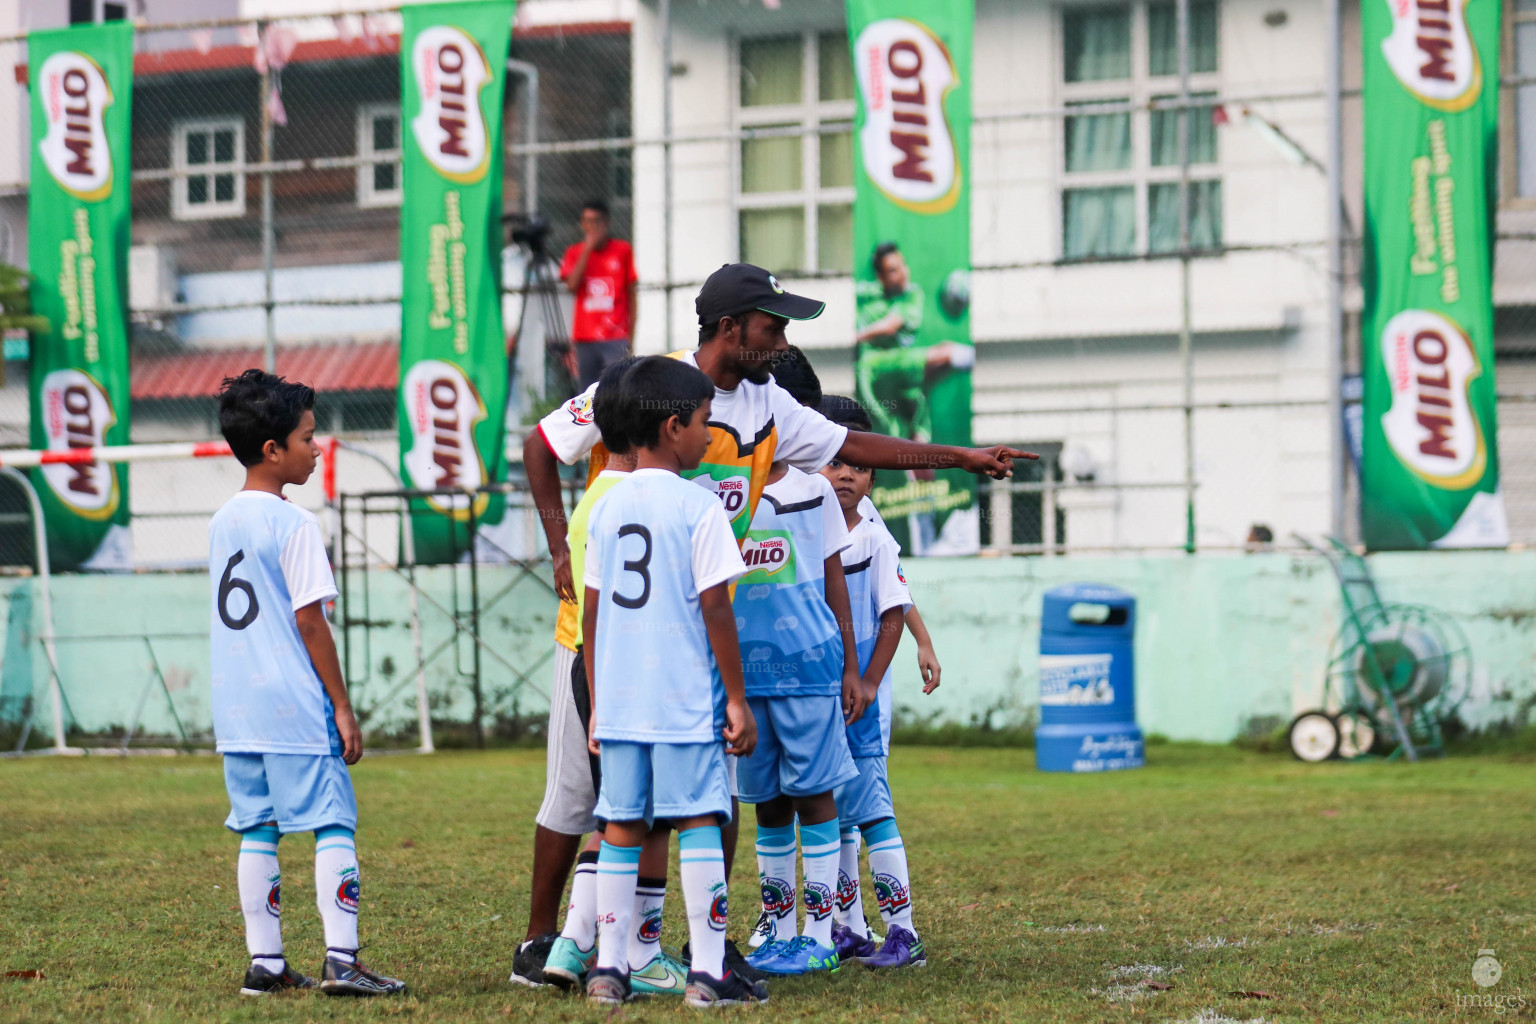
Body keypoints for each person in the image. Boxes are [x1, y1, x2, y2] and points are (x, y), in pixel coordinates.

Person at [520, 262, 1032, 982]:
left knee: (687, 804)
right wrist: (556, 548)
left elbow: (852, 445)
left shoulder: (766, 402)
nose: (784, 338)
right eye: (774, 324)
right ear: (731, 329)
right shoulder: (644, 382)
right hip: (608, 632)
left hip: (694, 639)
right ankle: (554, 946)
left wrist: (960, 458)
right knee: (592, 800)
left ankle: (665, 953)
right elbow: (541, 445)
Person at [208, 369, 405, 998]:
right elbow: (310, 621)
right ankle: (343, 961)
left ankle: (265, 963)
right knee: (333, 822)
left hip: (237, 709)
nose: (317, 448)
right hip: (294, 703)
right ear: (273, 451)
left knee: (257, 827)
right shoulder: (294, 526)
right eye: (308, 438)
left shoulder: (222, 521)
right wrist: (342, 708)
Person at [580, 356, 765, 1007]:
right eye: (703, 422)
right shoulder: (699, 505)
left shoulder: (606, 502)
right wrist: (736, 698)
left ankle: (609, 970)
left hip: (624, 702)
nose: (708, 435)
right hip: (685, 699)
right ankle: (708, 973)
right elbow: (717, 606)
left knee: (622, 827)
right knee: (697, 822)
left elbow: (593, 613)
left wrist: (600, 702)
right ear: (671, 426)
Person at [527, 358, 689, 998]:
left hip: (597, 665)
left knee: (615, 811)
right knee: (639, 814)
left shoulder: (598, 500)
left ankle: (574, 943)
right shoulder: (664, 493)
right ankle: (627, 950)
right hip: (634, 666)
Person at [727, 347, 863, 978]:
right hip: (745, 679)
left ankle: (822, 930)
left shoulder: (817, 489)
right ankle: (778, 928)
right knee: (768, 805)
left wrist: (852, 668)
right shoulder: (725, 488)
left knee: (815, 798)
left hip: (810, 673)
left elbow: (836, 583)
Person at [818, 396, 929, 970]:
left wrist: (867, 680)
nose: (844, 474)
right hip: (819, 697)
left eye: (856, 466)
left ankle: (903, 932)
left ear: (871, 479)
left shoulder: (873, 537)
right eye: (835, 463)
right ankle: (846, 926)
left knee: (872, 812)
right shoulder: (806, 527)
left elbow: (893, 610)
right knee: (833, 815)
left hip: (858, 698)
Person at [854, 242, 972, 445]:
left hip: (890, 364)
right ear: (881, 277)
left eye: (903, 265)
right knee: (943, 355)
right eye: (893, 270)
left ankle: (973, 357)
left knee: (919, 428)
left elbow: (891, 325)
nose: (902, 273)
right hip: (871, 369)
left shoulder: (913, 295)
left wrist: (856, 336)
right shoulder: (864, 294)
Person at [560, 199, 638, 390]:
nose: (592, 227)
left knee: (618, 388)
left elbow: (632, 296)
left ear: (606, 223)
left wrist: (631, 335)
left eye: (597, 222)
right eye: (587, 221)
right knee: (586, 392)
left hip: (615, 335)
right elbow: (571, 285)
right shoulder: (574, 252)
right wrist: (587, 249)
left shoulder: (622, 250)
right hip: (585, 338)